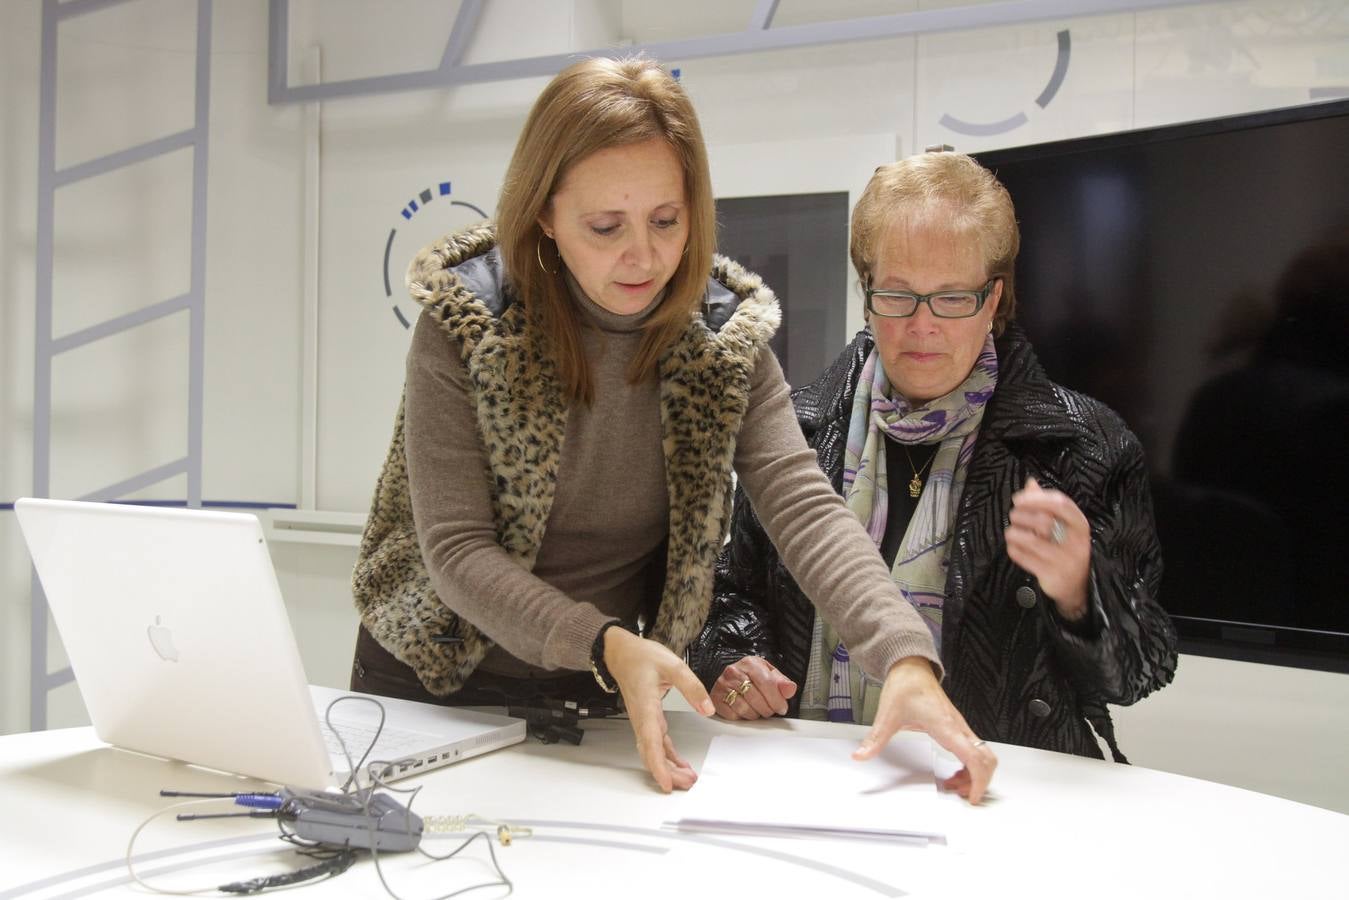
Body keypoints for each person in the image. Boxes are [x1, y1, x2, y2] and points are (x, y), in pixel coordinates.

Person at [349, 57, 996, 799]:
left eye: (666, 220)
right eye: (604, 226)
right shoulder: (469, 323)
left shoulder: (720, 339)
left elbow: (804, 506)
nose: (645, 256)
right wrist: (606, 643)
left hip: (605, 684)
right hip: (435, 678)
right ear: (544, 217)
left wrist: (905, 657)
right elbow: (457, 550)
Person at [688, 151, 1178, 762]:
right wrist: (734, 664)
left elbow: (1141, 672)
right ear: (867, 293)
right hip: (815, 774)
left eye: (951, 298)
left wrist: (1081, 590)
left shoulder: (1082, 445)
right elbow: (725, 597)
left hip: (997, 788)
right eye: (898, 295)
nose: (922, 326)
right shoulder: (796, 428)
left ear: (994, 299)